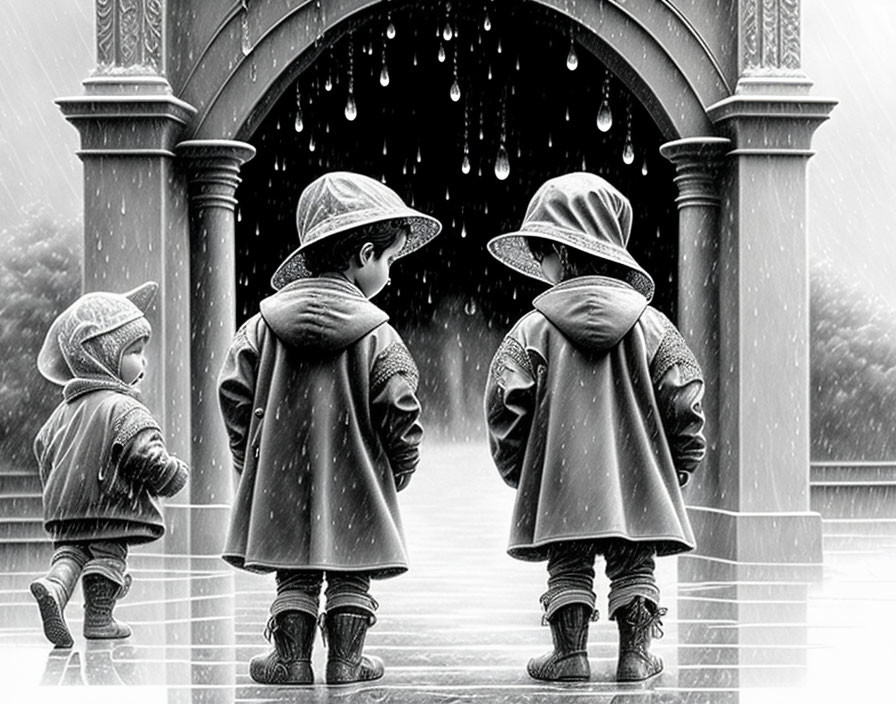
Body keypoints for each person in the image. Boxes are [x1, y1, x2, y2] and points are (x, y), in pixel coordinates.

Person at [218, 171, 442, 686]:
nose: (389, 270)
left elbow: (233, 391)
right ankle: (346, 661)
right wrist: (398, 466)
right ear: (364, 254)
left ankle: (290, 661)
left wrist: (249, 455)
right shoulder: (379, 335)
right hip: (357, 473)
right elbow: (401, 404)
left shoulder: (259, 327)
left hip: (279, 472)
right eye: (389, 258)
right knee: (351, 569)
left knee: (292, 569)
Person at [484, 172, 706, 683]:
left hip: (561, 480)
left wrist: (523, 469)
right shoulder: (654, 327)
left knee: (567, 563)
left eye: (542, 255)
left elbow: (504, 404)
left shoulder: (531, 330)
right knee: (636, 563)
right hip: (638, 479)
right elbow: (686, 397)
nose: (540, 268)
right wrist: (677, 465)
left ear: (561, 255)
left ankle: (570, 655)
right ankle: (635, 657)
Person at [31, 281, 189, 648]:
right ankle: (100, 619)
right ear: (99, 353)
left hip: (65, 508)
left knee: (69, 553)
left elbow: (44, 450)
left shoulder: (61, 413)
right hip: (109, 503)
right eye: (135, 351)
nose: (143, 362)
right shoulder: (124, 407)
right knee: (108, 555)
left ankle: (55, 587)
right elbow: (142, 453)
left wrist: (60, 489)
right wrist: (171, 474)